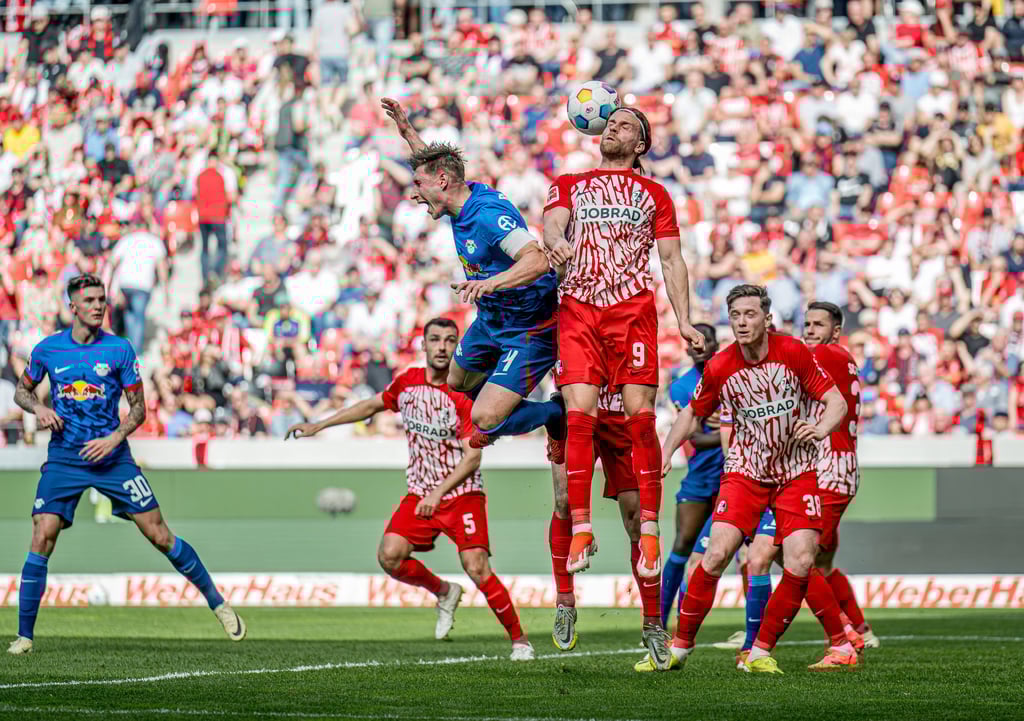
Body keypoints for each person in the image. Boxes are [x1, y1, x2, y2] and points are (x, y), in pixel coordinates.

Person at [8, 275, 245, 655]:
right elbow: (22, 390)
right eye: (89, 300)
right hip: (65, 458)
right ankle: (25, 637)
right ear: (73, 307)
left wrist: (114, 439)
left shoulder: (119, 350)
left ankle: (218, 603)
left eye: (102, 299)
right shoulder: (48, 350)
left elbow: (139, 409)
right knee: (41, 535)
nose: (99, 306)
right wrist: (39, 407)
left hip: (114, 457)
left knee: (160, 535)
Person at [284, 318, 534, 660]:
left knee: (476, 567)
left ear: (458, 347)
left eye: (449, 340)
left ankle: (520, 641)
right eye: (436, 339)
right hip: (420, 492)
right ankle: (444, 592)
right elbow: (371, 406)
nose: (443, 346)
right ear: (424, 346)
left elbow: (472, 459)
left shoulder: (464, 394)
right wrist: (320, 424)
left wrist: (438, 493)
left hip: (461, 494)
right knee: (389, 555)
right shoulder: (408, 383)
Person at [543, 107, 705, 598]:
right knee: (579, 414)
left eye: (625, 125)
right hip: (577, 307)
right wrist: (557, 243)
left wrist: (684, 319)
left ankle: (650, 533)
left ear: (640, 144)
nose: (612, 127)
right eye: (609, 123)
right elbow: (552, 226)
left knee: (639, 416)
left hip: (631, 310)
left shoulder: (656, 194)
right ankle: (584, 529)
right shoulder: (569, 182)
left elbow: (672, 260)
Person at [648, 284, 847, 673]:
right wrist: (667, 450)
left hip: (795, 471)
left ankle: (759, 652)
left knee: (802, 560)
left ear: (767, 318)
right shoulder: (721, 365)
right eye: (735, 315)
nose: (742, 322)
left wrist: (821, 429)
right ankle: (680, 647)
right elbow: (691, 413)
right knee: (716, 554)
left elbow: (835, 401)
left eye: (750, 314)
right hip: (745, 471)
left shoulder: (792, 352)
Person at [380, 98, 565, 458]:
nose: (415, 194)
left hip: (529, 326)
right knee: (457, 381)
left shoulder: (487, 215)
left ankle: (554, 414)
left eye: (418, 185)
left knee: (483, 416)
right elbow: (434, 170)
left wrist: (489, 284)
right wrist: (408, 133)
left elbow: (538, 260)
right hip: (492, 319)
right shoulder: (456, 198)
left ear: (443, 182)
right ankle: (504, 405)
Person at [549, 386, 662, 658]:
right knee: (564, 501)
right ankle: (565, 602)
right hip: (574, 407)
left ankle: (653, 621)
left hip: (620, 413)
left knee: (636, 519)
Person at [659, 323, 722, 627]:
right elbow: (696, 437)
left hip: (734, 476)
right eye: (692, 341)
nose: (698, 345)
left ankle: (751, 638)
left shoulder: (732, 374)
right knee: (682, 546)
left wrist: (723, 428)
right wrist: (732, 430)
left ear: (715, 344)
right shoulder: (682, 386)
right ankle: (657, 624)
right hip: (700, 475)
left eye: (704, 340)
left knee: (746, 555)